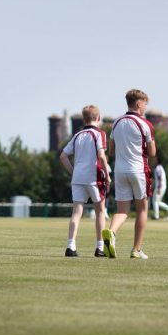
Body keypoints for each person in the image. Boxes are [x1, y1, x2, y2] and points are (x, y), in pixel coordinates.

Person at [102, 89, 156, 259]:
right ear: (139, 103)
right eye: (145, 104)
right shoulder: (146, 124)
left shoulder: (116, 122)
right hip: (138, 170)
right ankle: (136, 249)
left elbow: (111, 151)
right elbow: (152, 152)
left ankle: (111, 232)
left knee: (122, 211)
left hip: (120, 171)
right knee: (142, 210)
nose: (146, 107)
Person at [59, 105, 111, 257]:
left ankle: (70, 246)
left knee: (76, 212)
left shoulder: (77, 135)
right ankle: (100, 247)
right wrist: (108, 175)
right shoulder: (99, 134)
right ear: (98, 118)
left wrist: (73, 172)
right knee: (100, 211)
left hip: (78, 177)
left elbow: (63, 156)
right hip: (94, 177)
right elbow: (101, 155)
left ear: (83, 120)